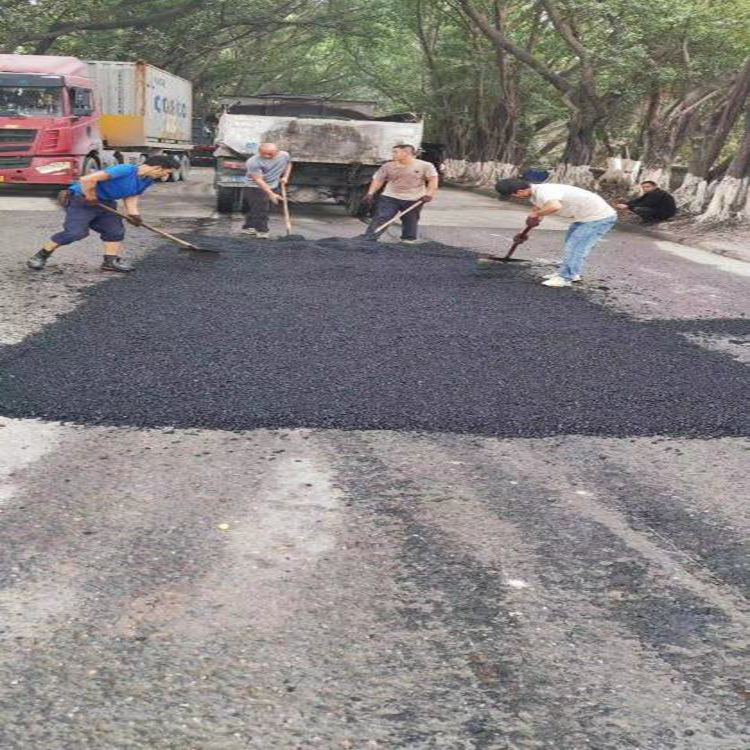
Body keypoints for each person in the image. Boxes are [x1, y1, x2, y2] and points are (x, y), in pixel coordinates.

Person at [27, 155, 178, 273]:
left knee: (115, 231)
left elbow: (131, 194)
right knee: (76, 233)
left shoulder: (147, 180)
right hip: (81, 200)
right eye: (166, 172)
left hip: (105, 203)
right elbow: (87, 179)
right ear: (158, 168)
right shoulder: (125, 169)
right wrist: (91, 196)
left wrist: (134, 214)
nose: (164, 176)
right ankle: (40, 256)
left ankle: (110, 262)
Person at [495, 178, 618, 288]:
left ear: (521, 190)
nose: (515, 197)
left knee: (575, 247)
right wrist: (522, 233)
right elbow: (537, 213)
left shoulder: (545, 191)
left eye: (514, 195)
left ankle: (565, 277)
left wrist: (536, 214)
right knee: (572, 245)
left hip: (598, 218)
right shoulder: (535, 195)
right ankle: (571, 273)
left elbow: (554, 206)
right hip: (584, 218)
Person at [362, 144, 439, 244]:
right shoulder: (388, 166)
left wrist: (429, 194)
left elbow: (433, 180)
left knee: (410, 220)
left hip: (414, 198)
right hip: (390, 196)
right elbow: (378, 180)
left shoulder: (425, 166)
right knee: (382, 216)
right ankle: (369, 238)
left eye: (395, 152)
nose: (393, 154)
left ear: (406, 153)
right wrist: (370, 193)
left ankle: (408, 241)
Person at [242, 143, 292, 238]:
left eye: (270, 154)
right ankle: (262, 231)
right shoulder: (253, 162)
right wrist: (271, 194)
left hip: (273, 184)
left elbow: (289, 164)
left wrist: (285, 177)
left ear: (277, 152)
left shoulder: (284, 155)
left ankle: (248, 227)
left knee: (259, 207)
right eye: (263, 153)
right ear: (259, 152)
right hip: (254, 186)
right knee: (261, 209)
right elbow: (258, 180)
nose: (266, 156)